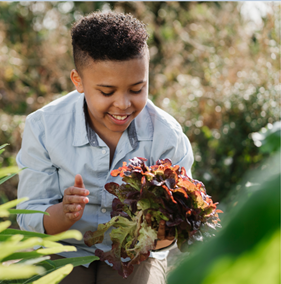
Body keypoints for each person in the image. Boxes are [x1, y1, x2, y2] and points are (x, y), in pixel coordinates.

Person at [16, 11, 194, 284]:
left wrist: (163, 232)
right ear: (78, 81)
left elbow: (172, 232)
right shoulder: (44, 127)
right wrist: (63, 213)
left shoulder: (167, 137)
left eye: (136, 89)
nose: (123, 104)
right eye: (107, 92)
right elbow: (31, 215)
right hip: (65, 247)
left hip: (135, 254)